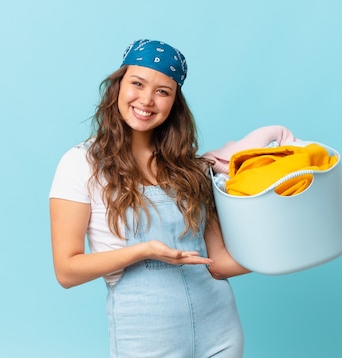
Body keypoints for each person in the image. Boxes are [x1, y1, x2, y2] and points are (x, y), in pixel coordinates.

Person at [49, 39, 250, 357]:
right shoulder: (81, 163)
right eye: (137, 84)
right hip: (146, 338)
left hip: (220, 330)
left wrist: (299, 246)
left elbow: (220, 263)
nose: (147, 100)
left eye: (163, 91)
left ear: (174, 102)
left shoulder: (191, 168)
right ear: (118, 86)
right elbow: (66, 270)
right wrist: (144, 251)